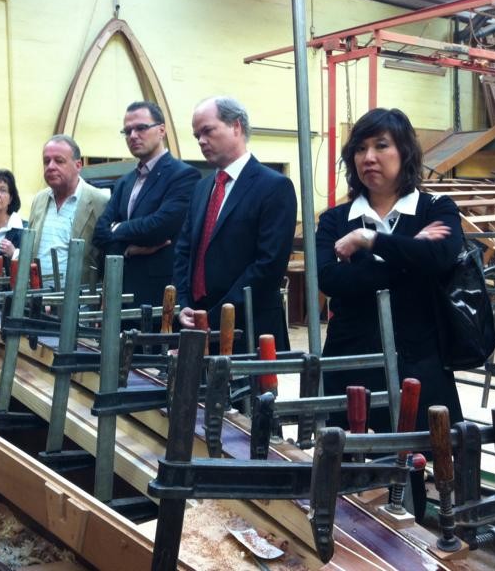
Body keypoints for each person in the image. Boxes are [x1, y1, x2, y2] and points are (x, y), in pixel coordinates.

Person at [317, 107, 464, 434]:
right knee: (348, 460)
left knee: (425, 459)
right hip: (350, 367)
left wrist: (368, 240)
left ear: (405, 151)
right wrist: (410, 255)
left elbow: (441, 257)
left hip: (420, 366)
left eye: (381, 145)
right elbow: (330, 279)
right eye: (360, 148)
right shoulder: (334, 220)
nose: (368, 157)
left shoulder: (435, 208)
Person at [174, 96, 297, 347]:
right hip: (196, 325)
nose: (201, 141)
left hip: (250, 328)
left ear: (236, 126)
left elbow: (268, 264)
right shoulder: (202, 189)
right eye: (197, 135)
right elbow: (184, 251)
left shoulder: (274, 187)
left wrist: (217, 316)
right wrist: (184, 304)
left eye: (208, 131)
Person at [93, 101, 200, 308]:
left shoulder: (183, 176)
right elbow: (99, 234)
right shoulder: (124, 182)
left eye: (141, 128)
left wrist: (117, 228)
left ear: (161, 130)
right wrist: (128, 250)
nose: (133, 136)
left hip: (158, 297)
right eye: (127, 131)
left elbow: (159, 227)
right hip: (119, 293)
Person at [27, 134, 109, 285]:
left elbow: (106, 257)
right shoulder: (39, 199)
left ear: (78, 165)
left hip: (80, 297)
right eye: (46, 161)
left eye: (59, 161)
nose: (51, 167)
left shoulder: (100, 201)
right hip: (37, 295)